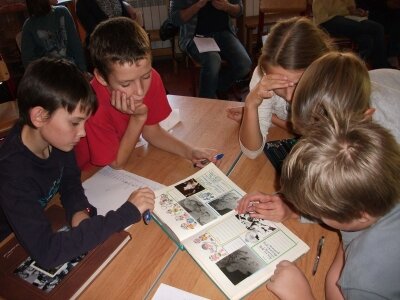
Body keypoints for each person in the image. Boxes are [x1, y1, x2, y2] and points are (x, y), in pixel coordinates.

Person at [0, 57, 155, 268]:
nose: (82, 133)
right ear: (39, 116)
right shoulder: (11, 173)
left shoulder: (57, 140)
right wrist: (126, 213)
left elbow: (70, 180)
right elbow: (48, 253)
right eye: (74, 123)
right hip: (9, 244)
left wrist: (77, 211)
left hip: (37, 224)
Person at [236, 51, 400, 222]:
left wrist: (297, 212)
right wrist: (292, 203)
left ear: (365, 117)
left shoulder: (389, 144)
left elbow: (371, 211)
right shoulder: (343, 106)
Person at [266, 119, 400, 299]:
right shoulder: (385, 179)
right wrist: (294, 211)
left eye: (317, 212)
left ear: (360, 215)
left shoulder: (366, 281)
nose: (312, 214)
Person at [74, 17, 219, 170]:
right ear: (101, 78)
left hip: (128, 156)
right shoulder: (91, 104)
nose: (140, 91)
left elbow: (151, 131)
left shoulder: (152, 77)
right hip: (90, 172)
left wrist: (190, 152)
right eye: (126, 84)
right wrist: (138, 118)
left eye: (145, 76)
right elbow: (116, 163)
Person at [228, 17, 334, 160]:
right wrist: (251, 104)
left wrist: (272, 118)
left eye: (298, 83)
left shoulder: (331, 80)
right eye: (280, 85)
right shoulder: (264, 79)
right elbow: (252, 152)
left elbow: (322, 137)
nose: (289, 96)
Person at [170, 0, 252, 99]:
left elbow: (239, 10)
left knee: (245, 64)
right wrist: (198, 5)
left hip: (224, 33)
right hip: (195, 36)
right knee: (213, 60)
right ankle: (205, 103)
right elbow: (175, 19)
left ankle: (216, 86)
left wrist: (227, 6)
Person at [312, 0, 389, 69]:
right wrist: (347, 12)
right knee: (377, 28)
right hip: (327, 20)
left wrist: (356, 12)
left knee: (367, 39)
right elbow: (333, 10)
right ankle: (382, 67)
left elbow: (350, 8)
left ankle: (359, 68)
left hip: (344, 18)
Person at [21, 0, 87, 72]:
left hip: (72, 70)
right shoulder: (29, 26)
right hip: (49, 76)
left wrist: (83, 70)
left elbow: (76, 46)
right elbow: (28, 62)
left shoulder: (63, 12)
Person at [76, 0, 143, 64]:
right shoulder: (82, 3)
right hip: (103, 47)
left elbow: (127, 20)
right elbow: (96, 31)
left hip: (124, 42)